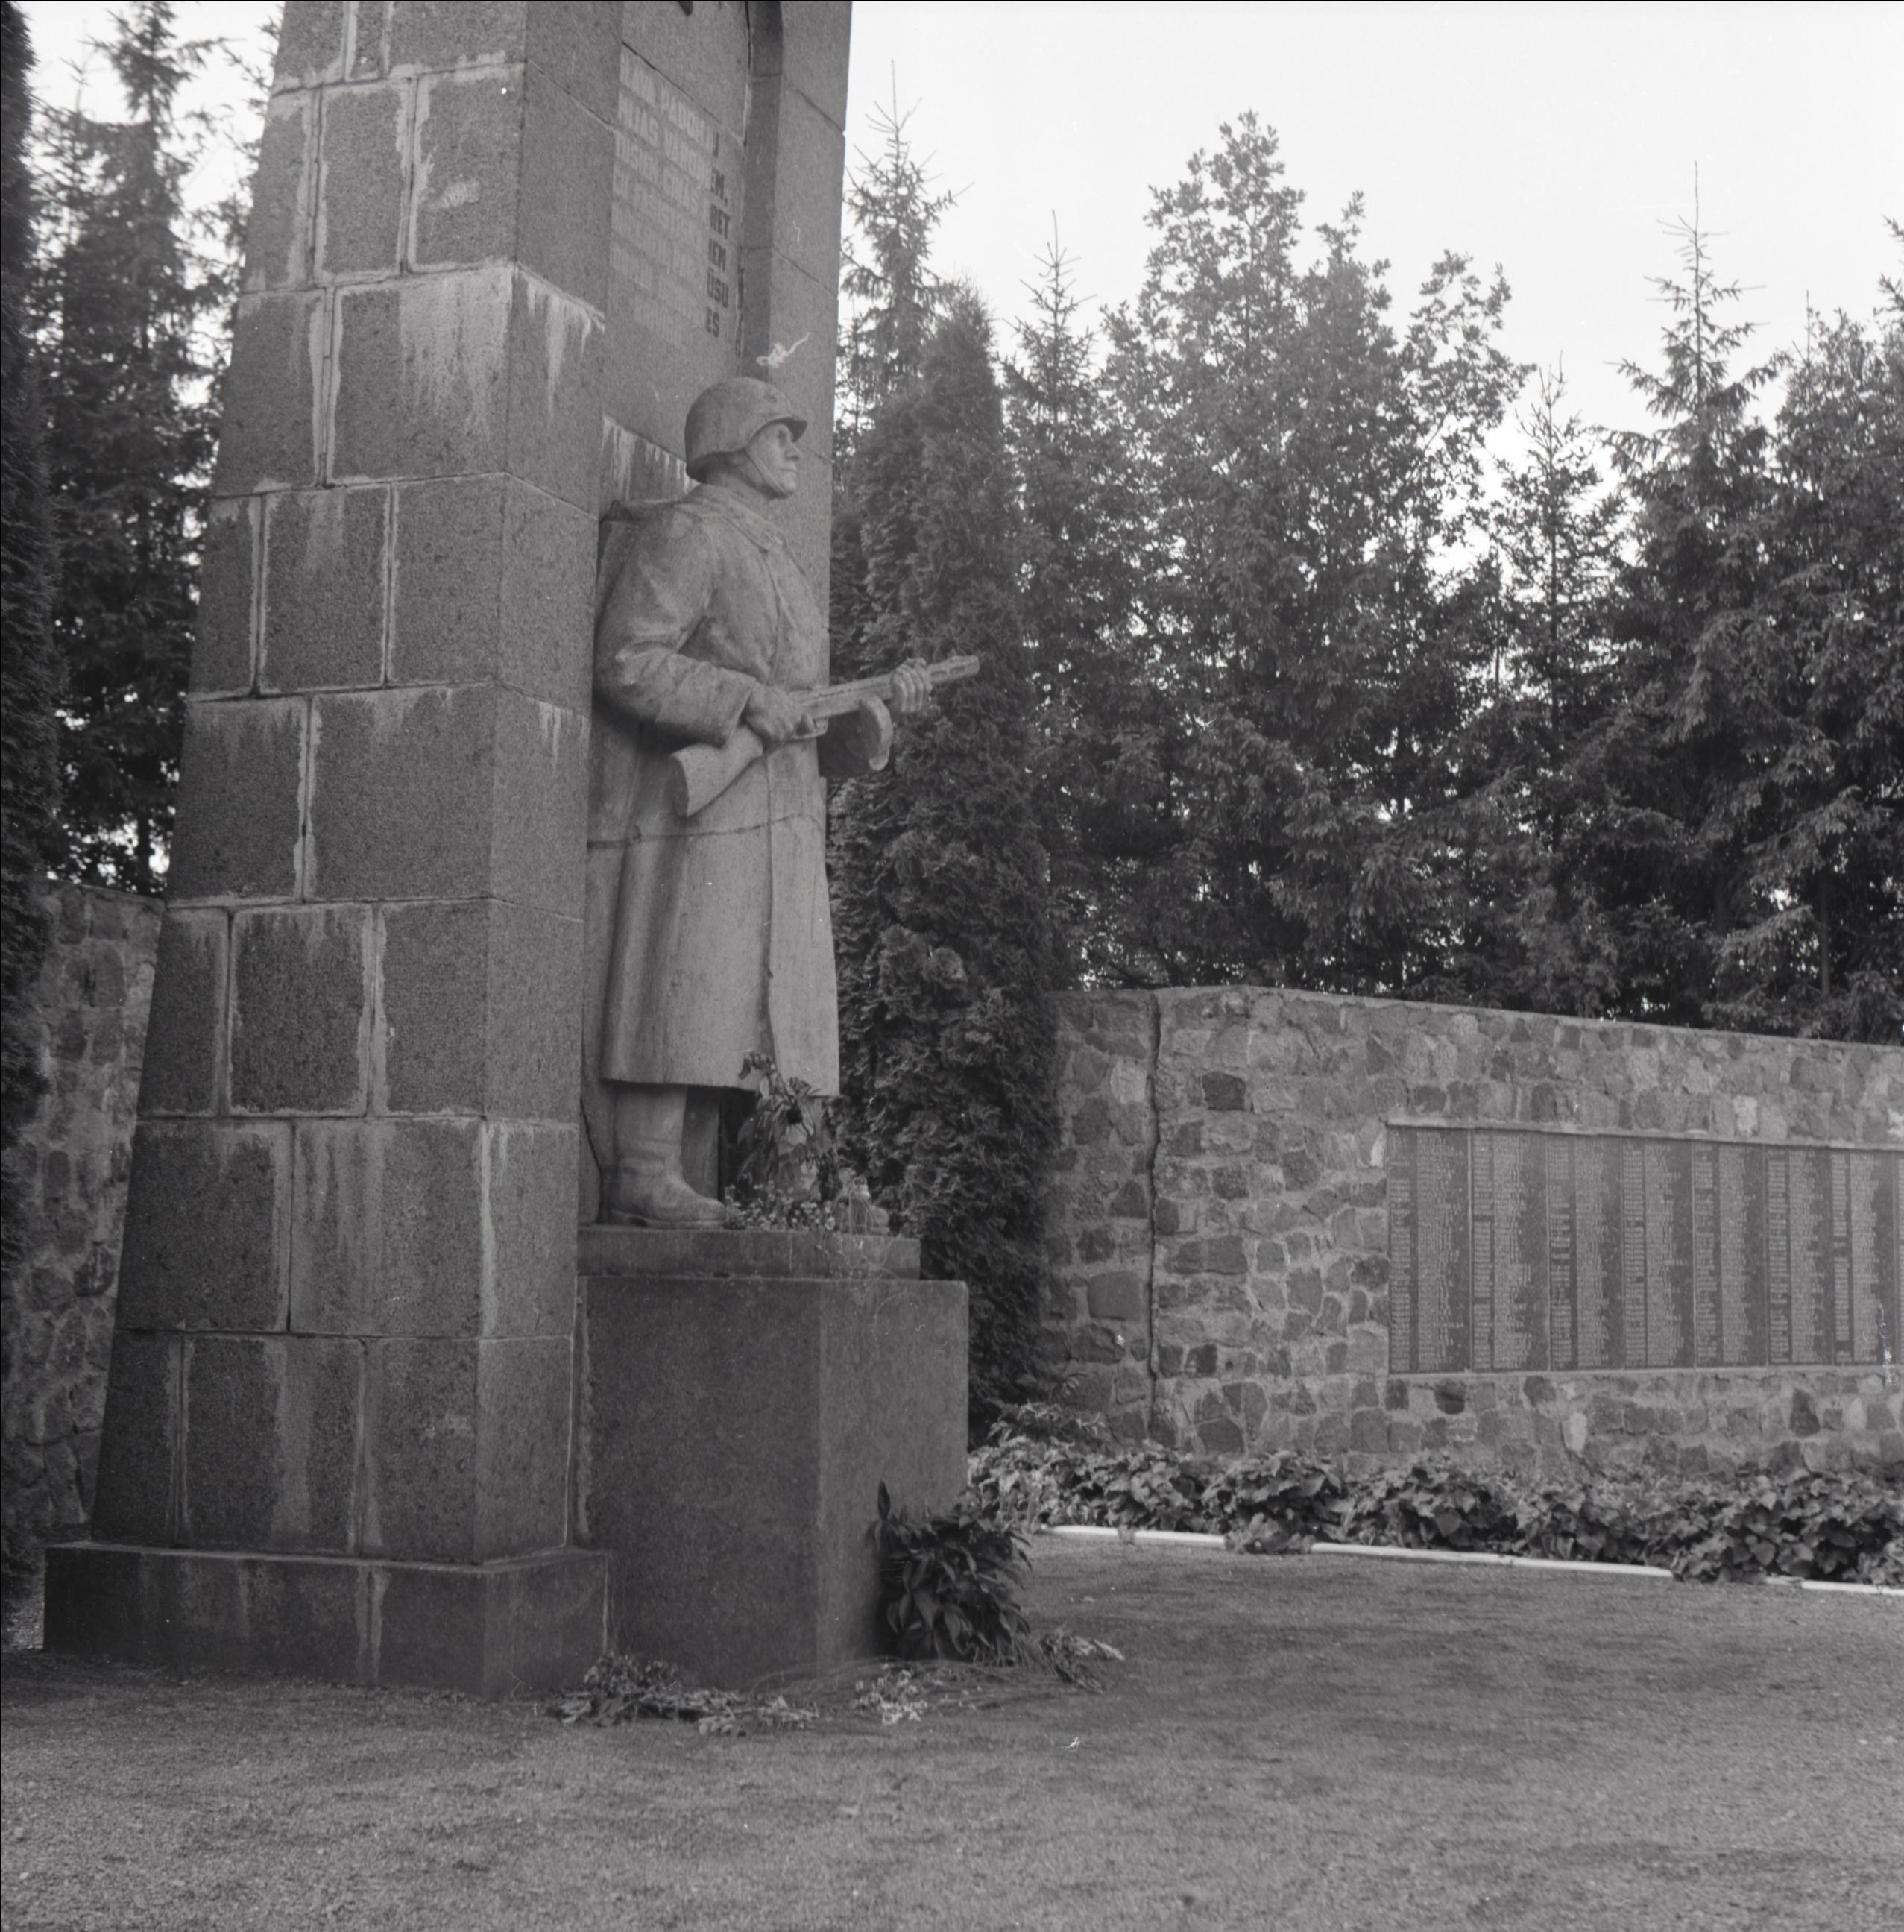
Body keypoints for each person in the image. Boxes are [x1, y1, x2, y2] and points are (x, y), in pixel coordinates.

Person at [583, 377, 930, 1227]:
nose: (794, 450)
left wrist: (868, 720)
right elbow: (627, 658)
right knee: (686, 985)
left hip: (784, 813)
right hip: (707, 814)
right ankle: (644, 1169)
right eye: (779, 433)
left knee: (783, 1005)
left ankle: (794, 1181)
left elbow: (804, 710)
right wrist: (740, 699)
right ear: (732, 443)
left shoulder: (783, 560)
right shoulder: (688, 532)